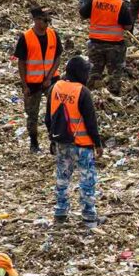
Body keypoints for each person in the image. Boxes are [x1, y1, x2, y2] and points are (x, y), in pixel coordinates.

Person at [47, 57, 103, 226]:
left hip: (62, 143)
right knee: (87, 180)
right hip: (82, 145)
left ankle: (60, 213)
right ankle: (88, 215)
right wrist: (98, 144)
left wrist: (52, 139)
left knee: (62, 179)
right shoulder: (82, 91)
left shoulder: (54, 88)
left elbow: (48, 118)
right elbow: (90, 122)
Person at [13, 6, 61, 153]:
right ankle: (34, 143)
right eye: (43, 19)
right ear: (35, 20)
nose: (46, 23)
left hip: (51, 80)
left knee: (56, 111)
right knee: (32, 114)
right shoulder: (26, 37)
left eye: (48, 20)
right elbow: (21, 63)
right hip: (32, 83)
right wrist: (25, 85)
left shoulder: (53, 35)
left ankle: (55, 141)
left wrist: (49, 77)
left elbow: (57, 58)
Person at [79, 0, 134, 95]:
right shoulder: (120, 5)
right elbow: (128, 27)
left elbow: (82, 15)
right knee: (114, 75)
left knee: (93, 72)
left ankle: (89, 96)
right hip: (114, 46)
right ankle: (113, 97)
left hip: (95, 44)